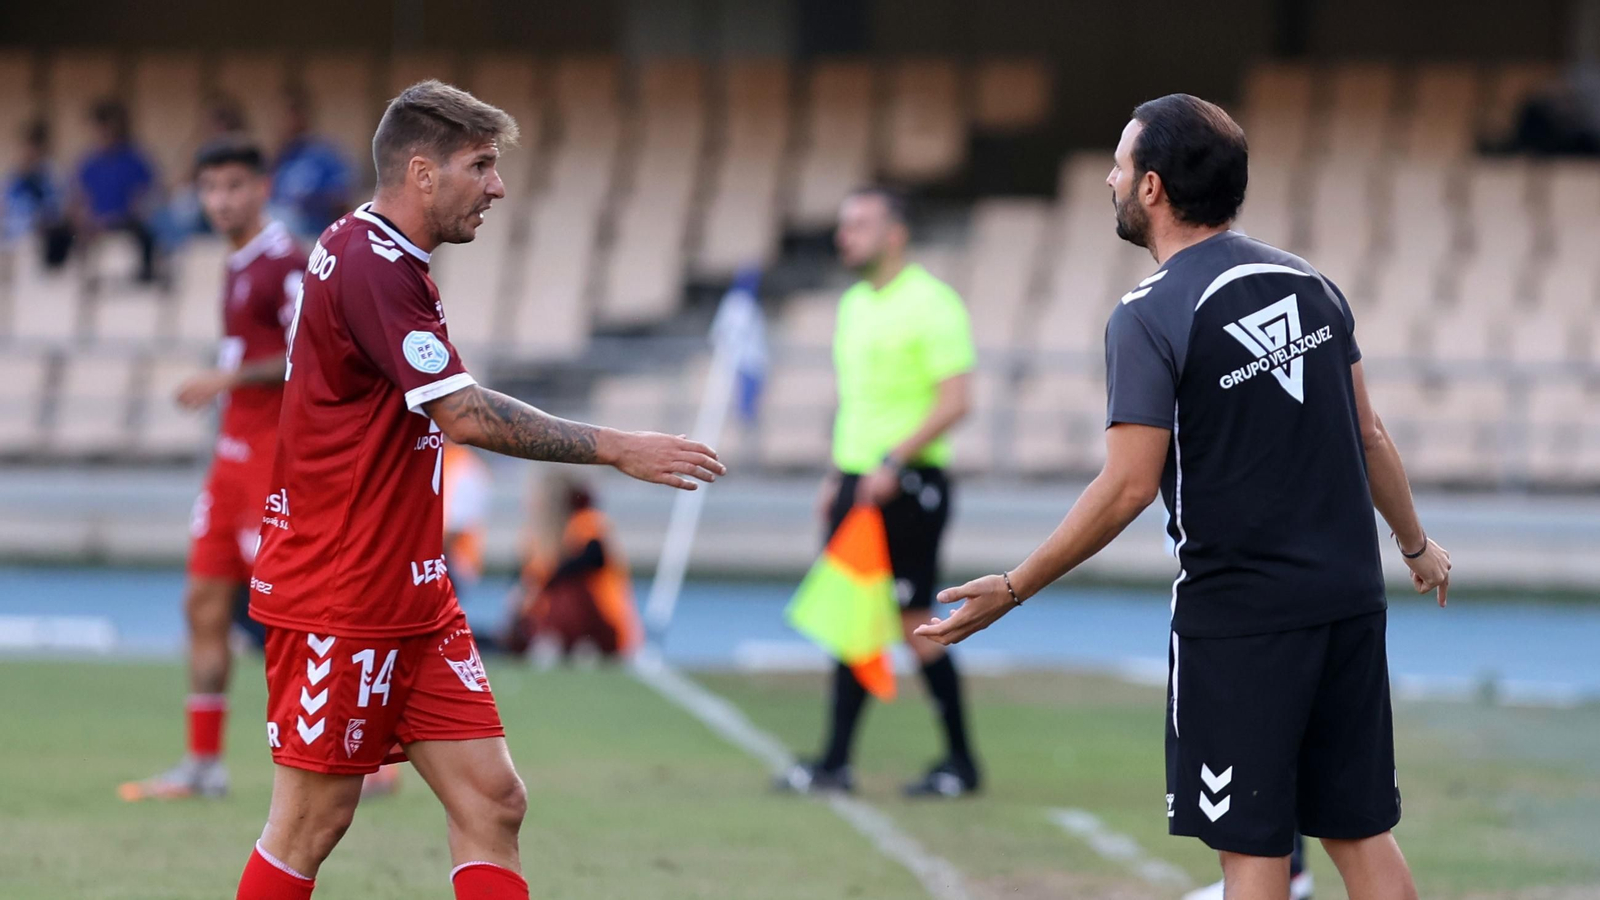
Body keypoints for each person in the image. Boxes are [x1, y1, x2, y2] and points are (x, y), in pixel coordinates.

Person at [916, 94, 1452, 900]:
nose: (1110, 179)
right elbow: (1369, 436)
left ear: (1153, 187)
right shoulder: (1310, 283)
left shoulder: (1149, 314)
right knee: (1359, 832)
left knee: (1252, 851)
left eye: (1119, 165)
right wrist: (1415, 545)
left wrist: (1015, 586)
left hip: (1240, 622)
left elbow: (1128, 485)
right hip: (1348, 601)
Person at [234, 80, 724, 900]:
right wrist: (616, 448)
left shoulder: (377, 251)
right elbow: (462, 414)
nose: (497, 186)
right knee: (309, 824)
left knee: (493, 802)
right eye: (481, 165)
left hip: (412, 592)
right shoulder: (372, 264)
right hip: (340, 591)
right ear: (422, 173)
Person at [775, 185, 980, 799]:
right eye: (844, 224)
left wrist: (894, 460)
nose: (845, 236)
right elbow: (858, 405)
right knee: (853, 619)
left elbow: (956, 401)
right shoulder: (854, 305)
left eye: (859, 224)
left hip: (907, 485)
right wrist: (837, 475)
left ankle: (960, 763)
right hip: (857, 483)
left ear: (895, 234)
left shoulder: (932, 304)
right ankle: (835, 762)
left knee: (914, 621)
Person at [119, 138, 306, 802]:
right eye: (209, 188)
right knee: (202, 602)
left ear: (261, 187)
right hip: (230, 462)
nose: (220, 200)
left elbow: (309, 353)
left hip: (272, 463)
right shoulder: (237, 261)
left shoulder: (286, 262)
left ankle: (359, 757)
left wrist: (228, 377)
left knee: (291, 614)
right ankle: (203, 766)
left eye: (233, 186)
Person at [509, 473, 640, 661]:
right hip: (553, 624)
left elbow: (591, 558)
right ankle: (541, 639)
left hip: (604, 621)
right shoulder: (537, 536)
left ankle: (571, 641)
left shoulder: (585, 521)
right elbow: (527, 580)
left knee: (568, 590)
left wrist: (546, 581)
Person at [73, 99, 158, 282]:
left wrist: (115, 219)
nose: (103, 133)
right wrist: (88, 220)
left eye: (107, 126)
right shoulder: (88, 163)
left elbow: (144, 199)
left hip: (127, 224)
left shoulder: (135, 160)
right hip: (94, 226)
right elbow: (79, 200)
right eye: (99, 127)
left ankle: (144, 278)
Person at [270, 88, 353, 239]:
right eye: (282, 116)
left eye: (292, 114)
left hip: (314, 230)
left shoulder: (323, 154)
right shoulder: (282, 156)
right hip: (284, 230)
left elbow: (342, 197)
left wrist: (312, 202)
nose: (286, 121)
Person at [2, 120, 72, 268]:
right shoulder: (13, 177)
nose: (27, 151)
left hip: (40, 242)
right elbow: (5, 207)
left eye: (32, 146)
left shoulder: (51, 175)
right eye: (24, 146)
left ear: (41, 148)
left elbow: (58, 211)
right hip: (11, 240)